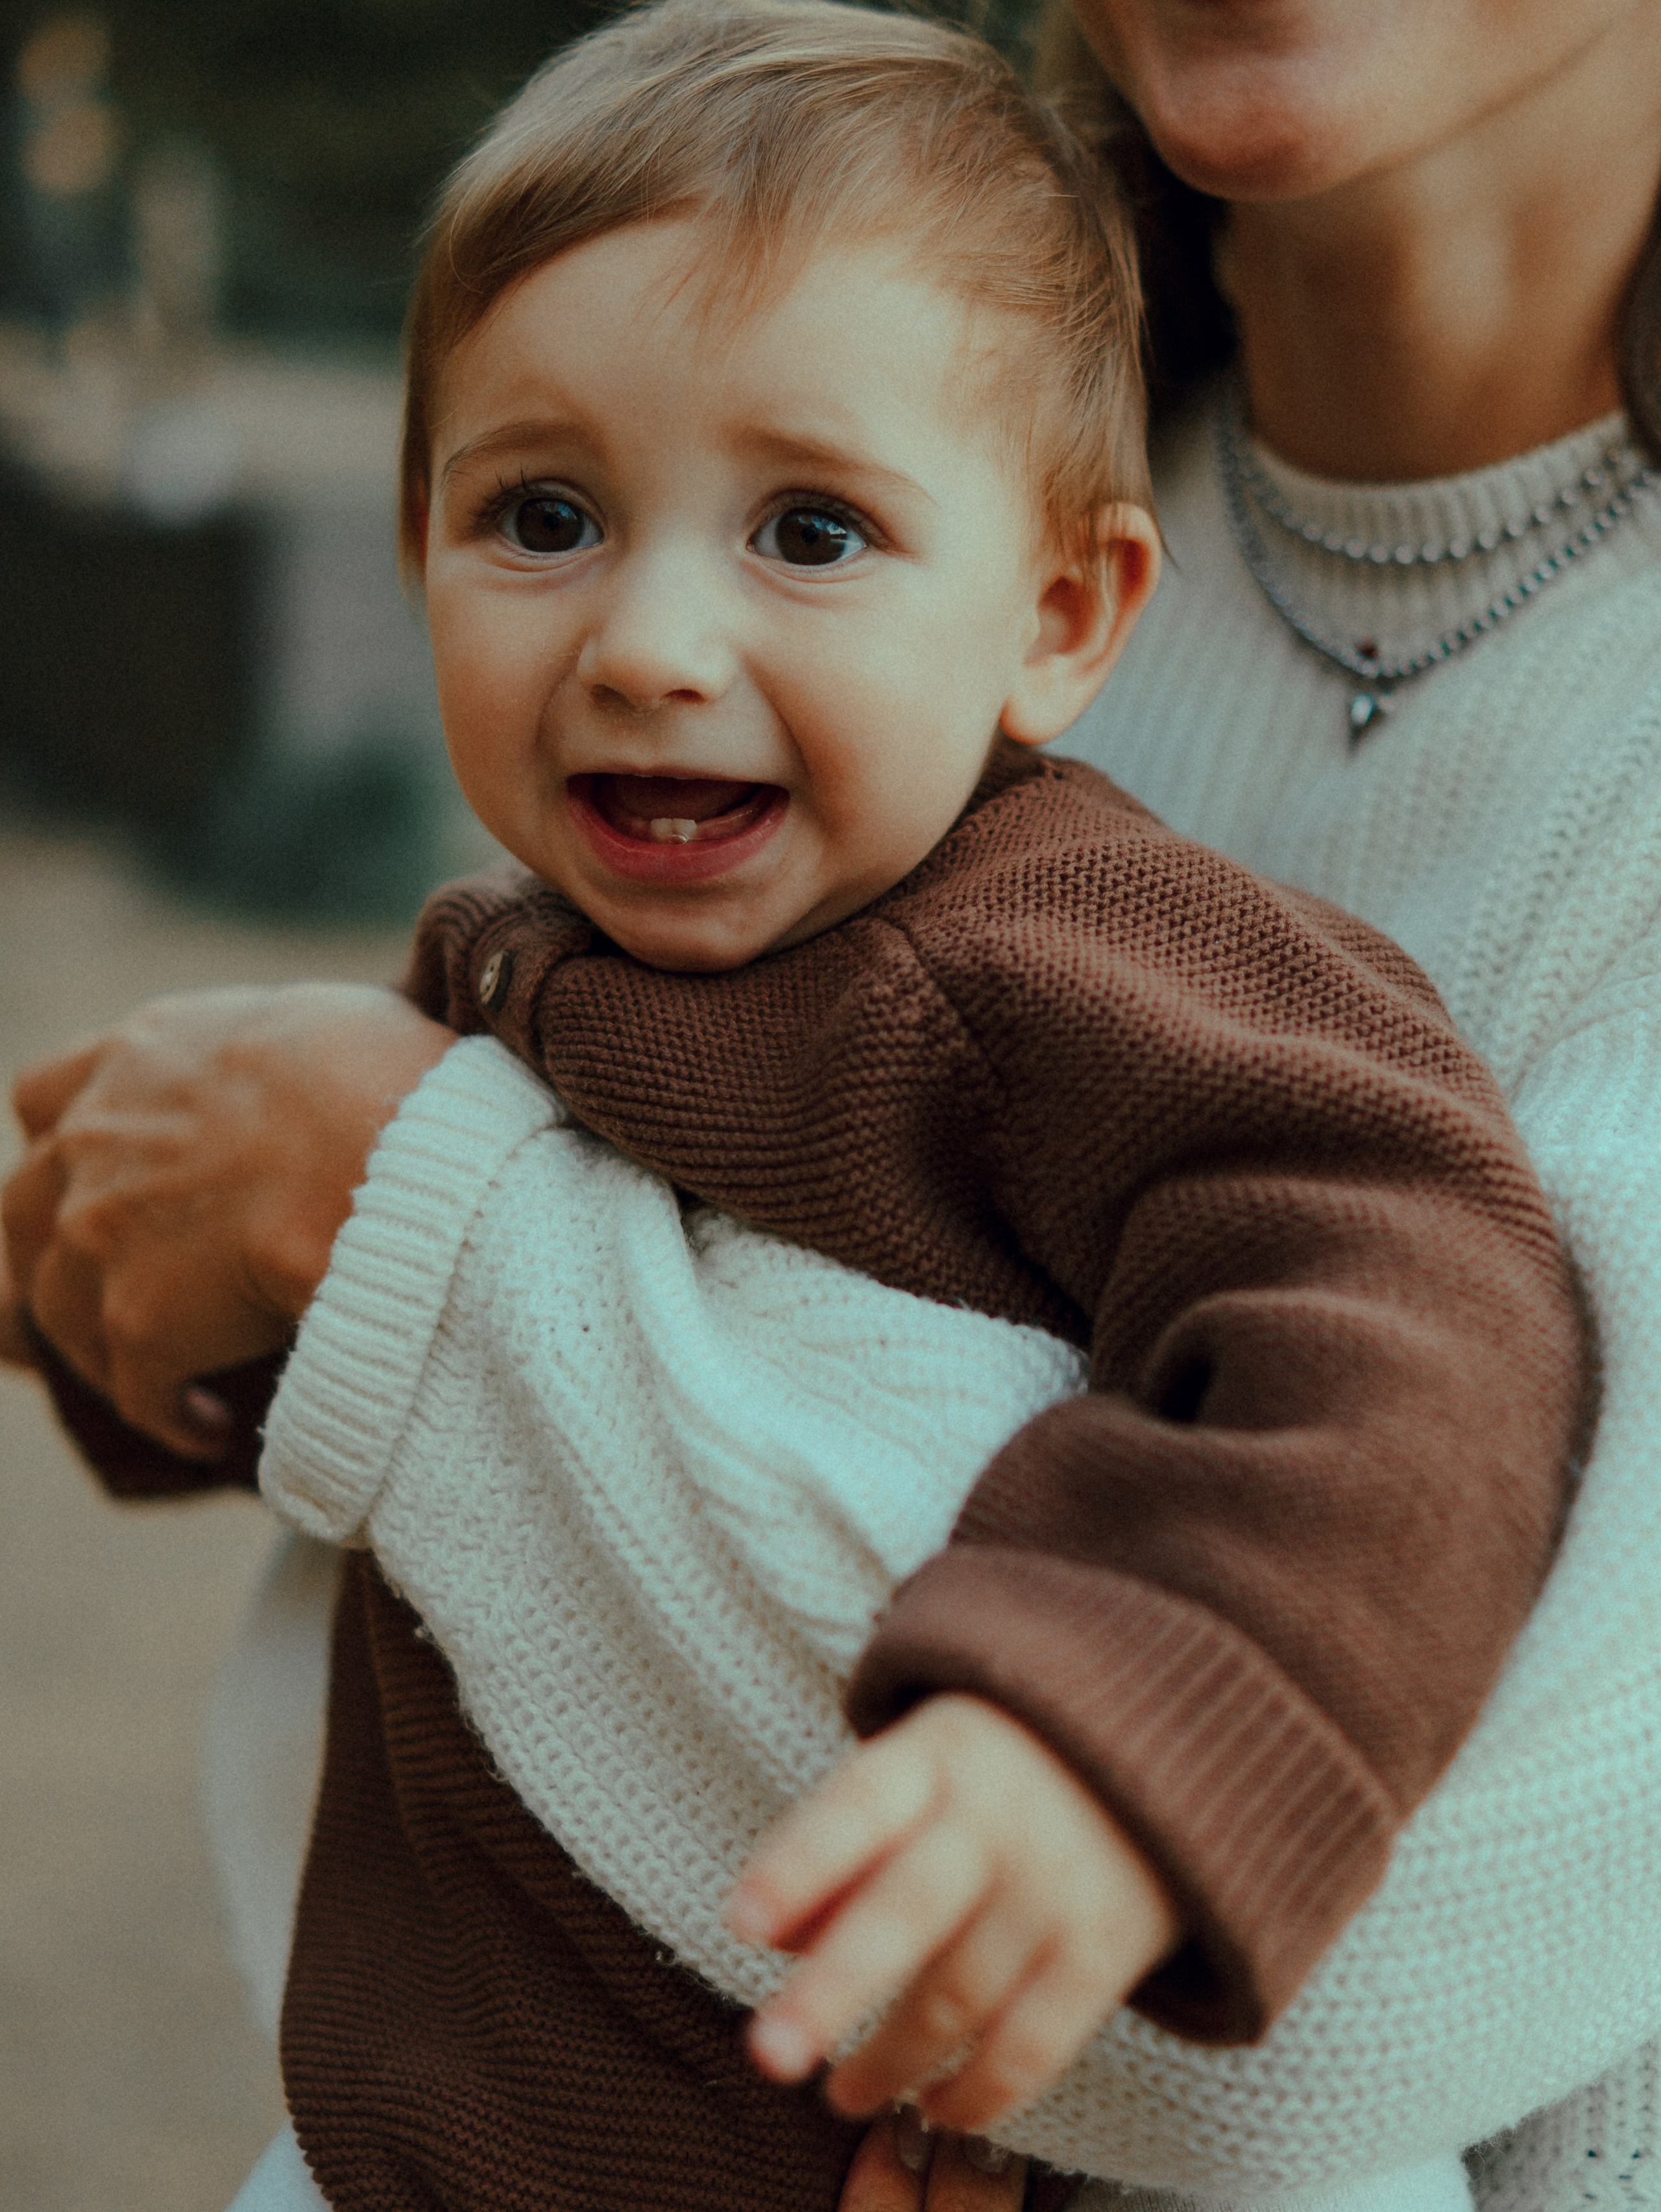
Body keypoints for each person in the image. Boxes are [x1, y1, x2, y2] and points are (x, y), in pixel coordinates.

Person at [5, 0, 1660, 2207]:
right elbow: (265, 1353)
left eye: (802, 533)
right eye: (547, 514)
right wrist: (132, 1289)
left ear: (1060, 611)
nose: (651, 646)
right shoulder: (575, 901)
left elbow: (1407, 1319)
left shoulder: (1077, 944)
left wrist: (1108, 1732)